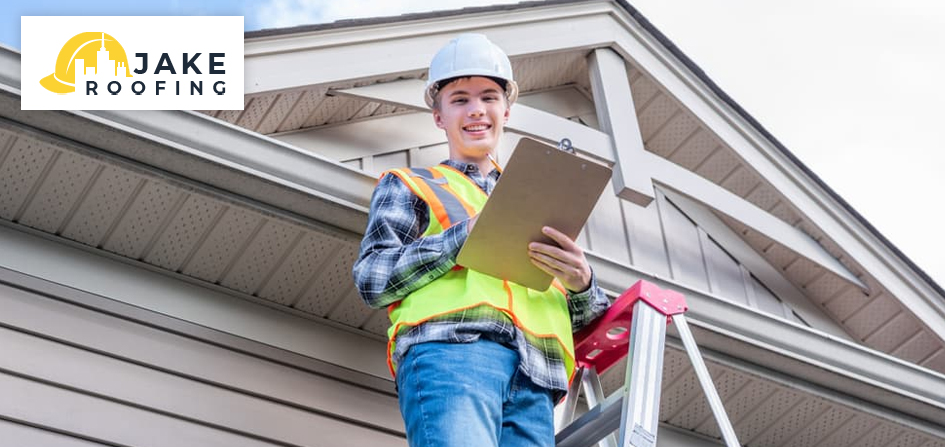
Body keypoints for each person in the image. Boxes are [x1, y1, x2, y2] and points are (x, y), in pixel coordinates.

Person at [352, 33, 610, 447]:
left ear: (507, 109)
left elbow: (586, 320)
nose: (477, 110)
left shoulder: (543, 200)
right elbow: (373, 279)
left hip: (536, 379)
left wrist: (582, 282)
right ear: (439, 116)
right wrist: (462, 239)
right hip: (455, 353)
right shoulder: (413, 185)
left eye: (489, 97)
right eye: (460, 99)